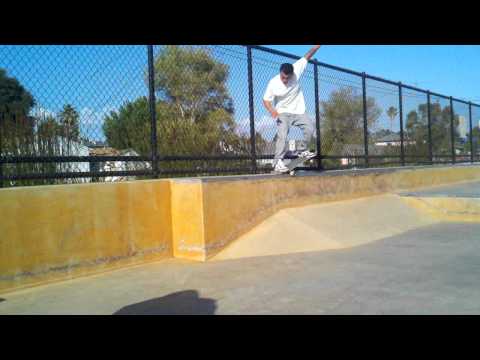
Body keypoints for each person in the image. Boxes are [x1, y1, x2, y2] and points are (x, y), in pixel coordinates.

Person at [263, 45, 321, 173]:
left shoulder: (296, 70)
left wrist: (316, 47)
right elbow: (266, 100)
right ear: (280, 73)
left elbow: (307, 55)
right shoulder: (273, 83)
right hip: (282, 112)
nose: (285, 80)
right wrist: (272, 111)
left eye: (287, 78)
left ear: (292, 74)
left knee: (310, 128)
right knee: (282, 135)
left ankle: (302, 150)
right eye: (283, 77)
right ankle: (278, 161)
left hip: (299, 110)